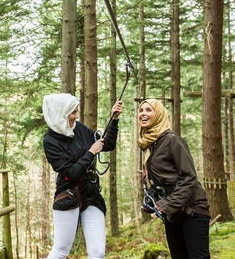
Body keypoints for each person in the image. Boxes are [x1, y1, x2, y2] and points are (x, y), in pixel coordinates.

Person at [42, 93, 123, 259]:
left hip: (91, 193)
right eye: (73, 112)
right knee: (61, 251)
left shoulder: (78, 128)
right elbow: (71, 172)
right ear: (61, 113)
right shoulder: (50, 140)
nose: (76, 116)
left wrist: (114, 120)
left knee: (98, 252)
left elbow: (107, 144)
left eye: (76, 111)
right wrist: (90, 152)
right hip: (69, 195)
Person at [137, 98, 210, 259]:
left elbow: (189, 178)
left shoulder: (172, 140)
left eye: (149, 110)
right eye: (141, 110)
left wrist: (166, 204)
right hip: (173, 213)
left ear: (159, 115)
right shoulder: (151, 145)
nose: (143, 113)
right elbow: (164, 181)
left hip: (192, 209)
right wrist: (153, 200)